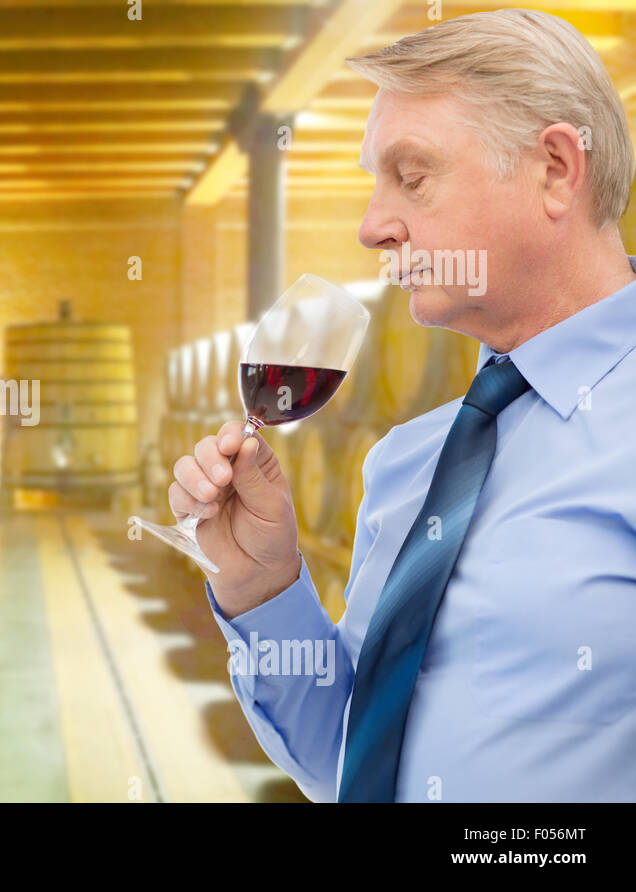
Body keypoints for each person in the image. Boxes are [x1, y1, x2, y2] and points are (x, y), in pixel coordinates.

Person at [170, 9, 636, 802]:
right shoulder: (407, 462)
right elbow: (349, 760)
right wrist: (265, 587)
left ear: (556, 169)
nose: (370, 226)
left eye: (411, 177)